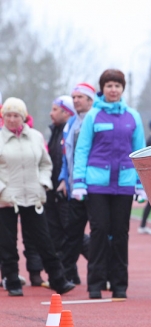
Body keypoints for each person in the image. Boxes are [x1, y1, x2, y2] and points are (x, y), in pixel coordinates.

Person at [72, 69, 146, 299]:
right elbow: (82, 150)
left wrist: (141, 184)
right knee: (99, 232)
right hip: (97, 185)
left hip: (124, 184)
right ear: (102, 89)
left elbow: (140, 152)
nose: (113, 90)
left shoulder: (133, 116)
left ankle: (119, 285)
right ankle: (95, 284)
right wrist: (78, 182)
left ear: (123, 89)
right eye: (109, 86)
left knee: (121, 233)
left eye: (117, 86)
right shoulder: (93, 116)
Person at [0, 97, 76, 296]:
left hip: (33, 196)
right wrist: (2, 189)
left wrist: (43, 183)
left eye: (16, 115)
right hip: (6, 198)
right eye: (8, 115)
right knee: (7, 242)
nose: (12, 119)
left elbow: (45, 163)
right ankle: (12, 281)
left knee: (44, 240)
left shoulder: (35, 137)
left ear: (23, 117)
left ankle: (58, 280)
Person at [58, 83, 95, 284]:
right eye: (73, 97)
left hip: (95, 187)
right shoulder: (70, 124)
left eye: (80, 97)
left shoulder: (96, 119)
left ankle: (102, 275)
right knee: (72, 233)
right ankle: (67, 274)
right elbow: (67, 156)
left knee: (100, 233)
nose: (75, 101)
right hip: (75, 188)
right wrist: (64, 178)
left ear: (90, 100)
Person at [45, 96, 76, 264]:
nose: (51, 113)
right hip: (53, 193)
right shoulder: (55, 132)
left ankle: (104, 266)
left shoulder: (71, 133)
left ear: (67, 113)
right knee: (56, 235)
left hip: (65, 193)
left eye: (55, 110)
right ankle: (67, 273)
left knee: (72, 235)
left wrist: (65, 181)